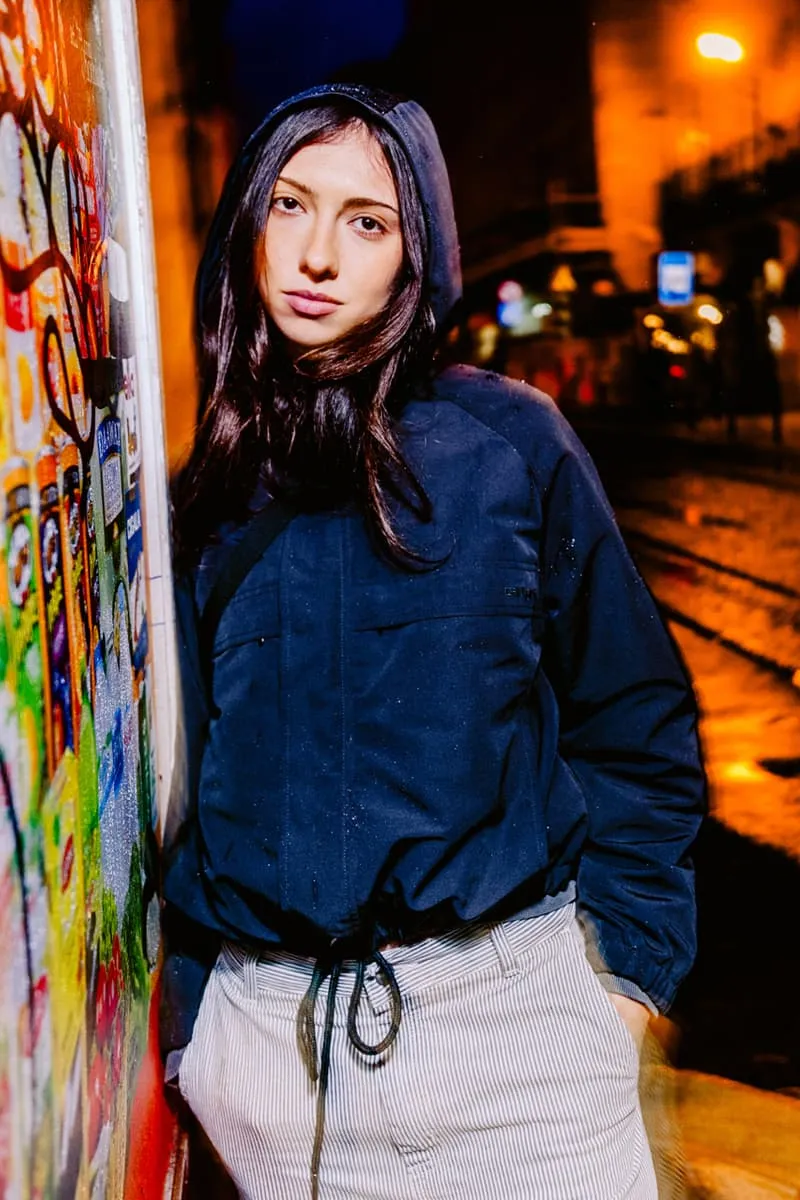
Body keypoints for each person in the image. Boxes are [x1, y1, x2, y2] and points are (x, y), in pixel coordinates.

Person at [160, 83, 706, 1200]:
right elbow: (175, 783)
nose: (316, 254)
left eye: (365, 221)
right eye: (289, 206)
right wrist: (192, 1031)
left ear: (415, 258)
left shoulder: (508, 444)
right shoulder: (206, 494)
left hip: (516, 1039)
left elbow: (632, 717)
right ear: (246, 226)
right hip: (273, 1066)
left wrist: (625, 985)